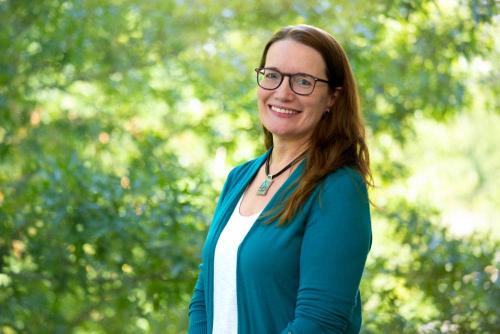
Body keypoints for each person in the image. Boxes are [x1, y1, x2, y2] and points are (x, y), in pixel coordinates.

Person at [188, 24, 372, 334]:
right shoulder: (239, 179)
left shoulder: (338, 188)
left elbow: (320, 324)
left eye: (303, 81)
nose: (283, 92)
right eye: (272, 75)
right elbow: (205, 297)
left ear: (332, 98)